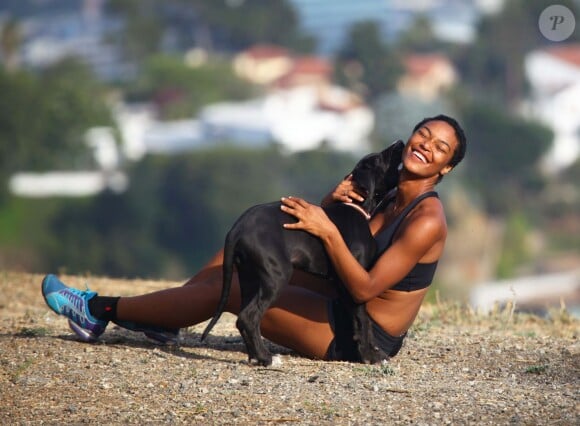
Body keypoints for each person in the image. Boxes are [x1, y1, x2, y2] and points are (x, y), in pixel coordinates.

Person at [42, 114, 467, 362]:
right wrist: (326, 204)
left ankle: (99, 310)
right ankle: (163, 318)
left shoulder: (426, 219)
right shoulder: (389, 190)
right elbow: (342, 238)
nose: (426, 146)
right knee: (239, 252)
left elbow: (364, 286)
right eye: (423, 135)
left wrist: (323, 226)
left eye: (440, 148)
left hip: (362, 335)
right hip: (340, 296)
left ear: (445, 168)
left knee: (236, 290)